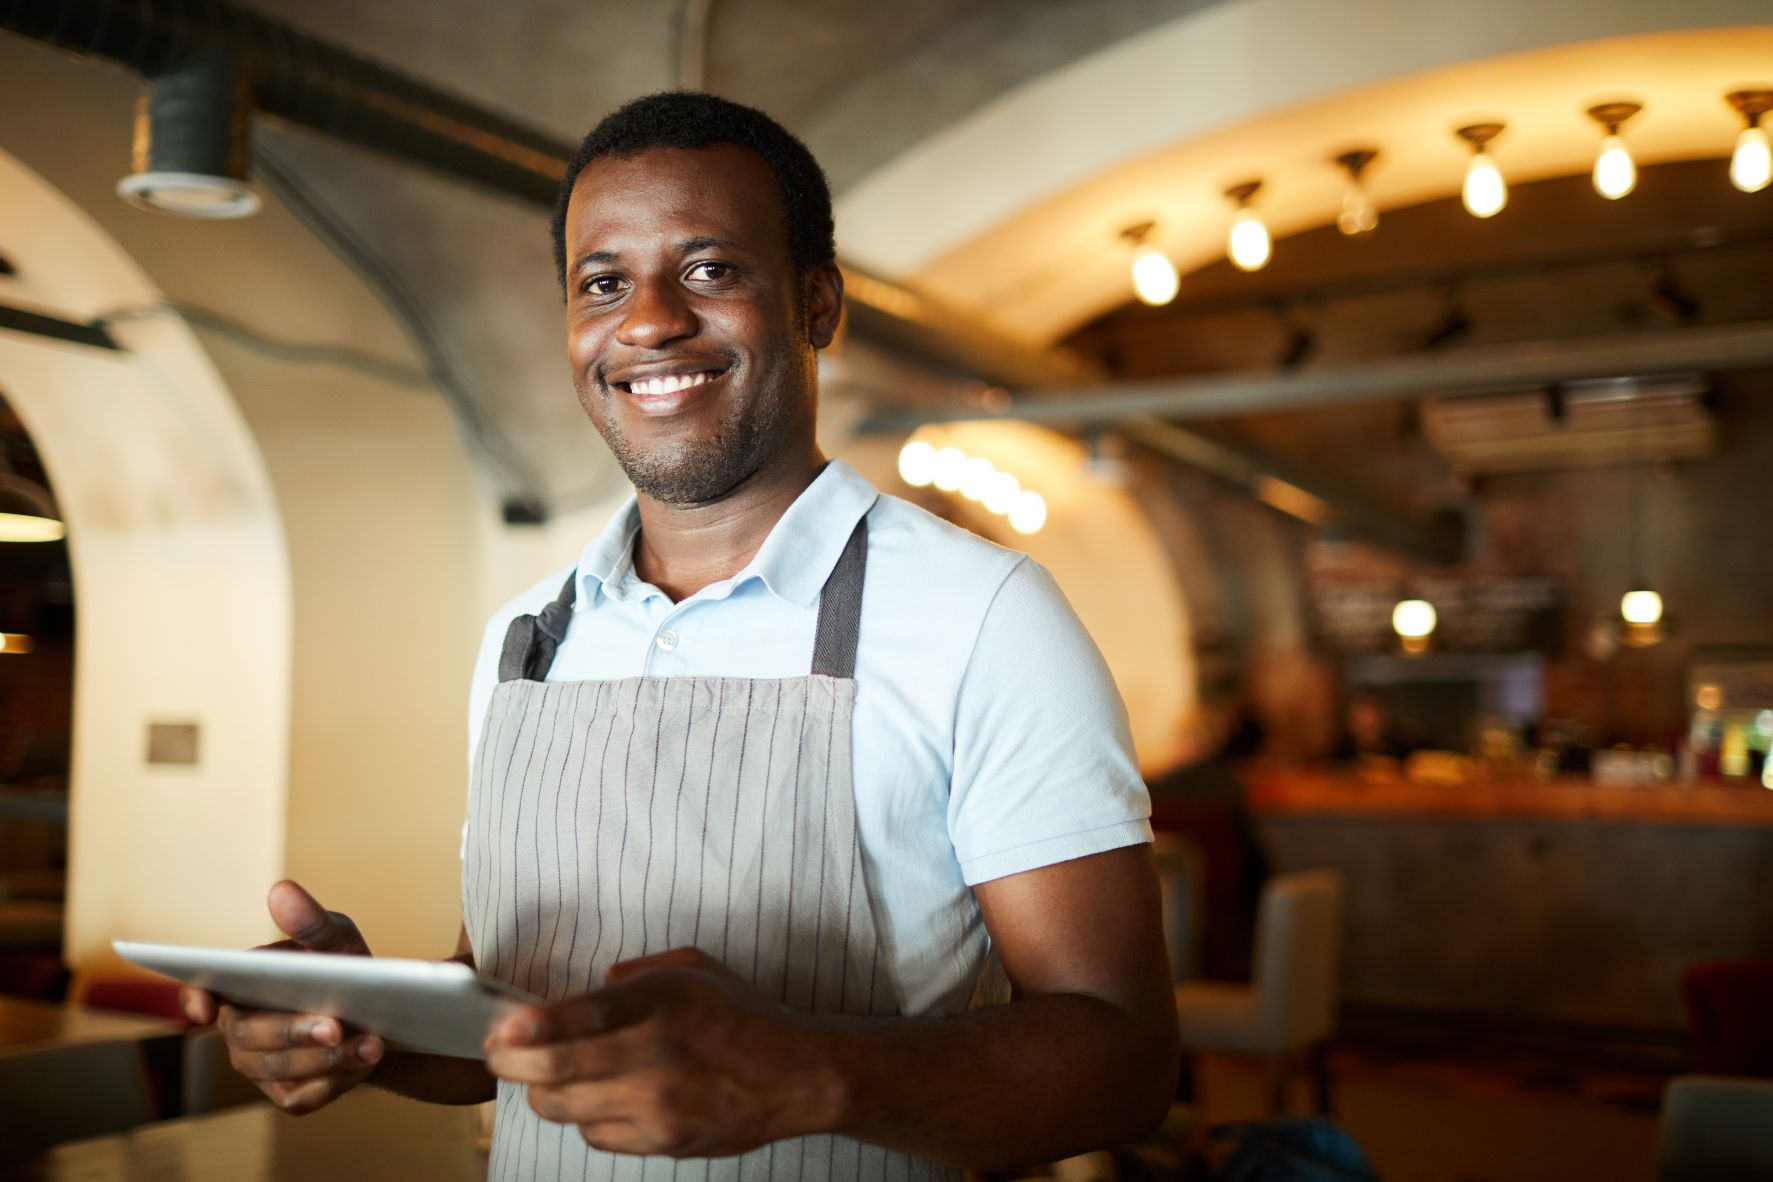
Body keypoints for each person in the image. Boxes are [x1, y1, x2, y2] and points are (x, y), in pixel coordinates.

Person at [183, 92, 1178, 1179]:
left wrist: (809, 1073)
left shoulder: (985, 617)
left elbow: (1122, 1060)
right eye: (603, 283)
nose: (648, 320)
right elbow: (512, 1034)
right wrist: (357, 1026)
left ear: (817, 305)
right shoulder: (528, 639)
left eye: (709, 270)